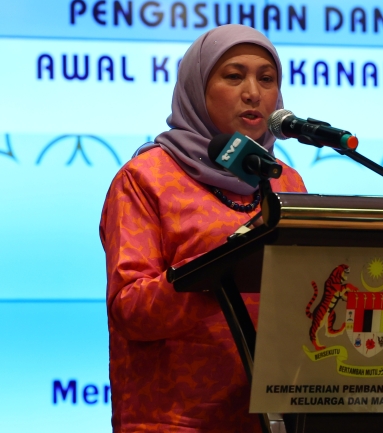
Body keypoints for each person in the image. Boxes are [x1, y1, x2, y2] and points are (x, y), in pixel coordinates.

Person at [99, 25, 306, 432]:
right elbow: (130, 310)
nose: (253, 93)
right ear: (197, 88)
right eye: (234, 76)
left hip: (274, 418)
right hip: (174, 420)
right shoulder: (146, 178)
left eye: (267, 79)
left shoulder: (286, 181)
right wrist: (222, 267)